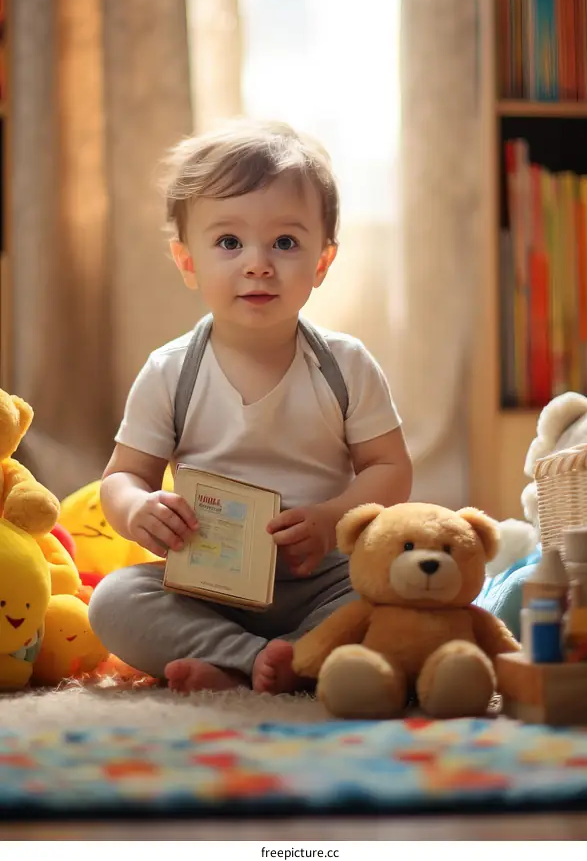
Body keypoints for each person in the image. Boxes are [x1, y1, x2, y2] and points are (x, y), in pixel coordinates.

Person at [88, 118, 412, 694]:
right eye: (229, 243)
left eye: (285, 243)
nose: (258, 263)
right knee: (115, 600)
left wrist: (329, 517)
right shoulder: (171, 371)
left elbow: (391, 469)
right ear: (188, 261)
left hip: (321, 579)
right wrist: (140, 511)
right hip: (206, 585)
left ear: (323, 261)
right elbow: (122, 478)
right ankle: (261, 658)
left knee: (394, 588)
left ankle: (256, 664)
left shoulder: (345, 364)